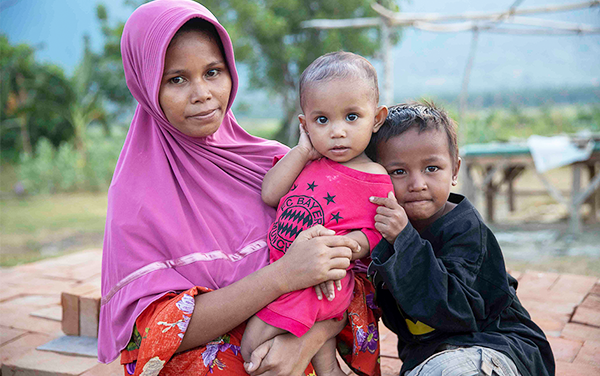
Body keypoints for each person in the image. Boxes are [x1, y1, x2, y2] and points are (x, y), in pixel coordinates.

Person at [98, 1, 382, 375]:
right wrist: (282, 276)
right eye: (176, 79)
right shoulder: (136, 199)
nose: (201, 93)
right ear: (145, 85)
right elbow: (155, 334)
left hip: (297, 339)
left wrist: (306, 339)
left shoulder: (279, 165)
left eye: (213, 72)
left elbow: (352, 271)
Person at [365, 102, 555, 376]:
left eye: (431, 168)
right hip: (431, 358)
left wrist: (404, 239)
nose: (417, 183)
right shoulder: (384, 228)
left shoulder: (465, 229)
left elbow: (452, 308)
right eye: (398, 172)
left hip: (494, 346)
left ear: (454, 170)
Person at [240, 52, 393, 376]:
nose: (337, 131)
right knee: (323, 363)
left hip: (324, 281)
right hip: (290, 275)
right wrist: (302, 151)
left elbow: (378, 230)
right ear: (304, 124)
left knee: (251, 345)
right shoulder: (304, 163)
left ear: (377, 118)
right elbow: (270, 193)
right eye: (322, 120)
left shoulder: (376, 177)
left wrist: (349, 246)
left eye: (352, 117)